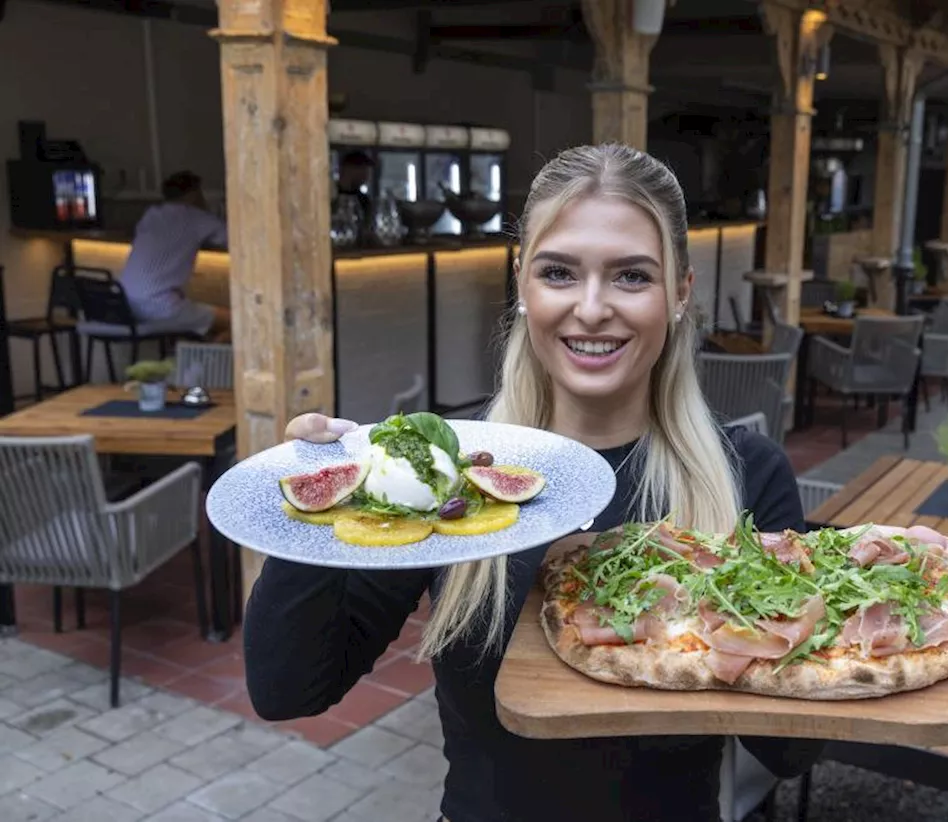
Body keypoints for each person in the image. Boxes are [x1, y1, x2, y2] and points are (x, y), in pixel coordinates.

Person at [243, 144, 825, 822]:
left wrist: (811, 597)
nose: (592, 307)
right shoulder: (450, 469)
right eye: (559, 272)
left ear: (681, 292)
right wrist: (312, 510)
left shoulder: (746, 473)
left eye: (632, 276)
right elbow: (289, 689)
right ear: (523, 284)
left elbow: (790, 753)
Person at [118, 171, 231, 342]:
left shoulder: (151, 214)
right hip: (163, 307)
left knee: (206, 325)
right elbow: (235, 240)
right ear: (194, 194)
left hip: (128, 306)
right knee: (237, 321)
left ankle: (200, 356)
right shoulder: (196, 217)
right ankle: (210, 360)